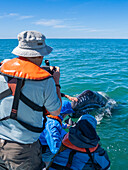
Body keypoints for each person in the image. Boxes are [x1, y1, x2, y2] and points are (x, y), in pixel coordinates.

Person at [0, 30, 62, 170]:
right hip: (22, 149)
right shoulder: (45, 80)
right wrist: (56, 82)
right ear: (40, 54)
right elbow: (56, 111)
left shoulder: (2, 70)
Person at [39, 100, 76, 168]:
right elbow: (54, 148)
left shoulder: (48, 115)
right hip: (44, 149)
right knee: (46, 162)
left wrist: (65, 126)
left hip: (39, 141)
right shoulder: (53, 125)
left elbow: (56, 121)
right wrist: (63, 146)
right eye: (67, 114)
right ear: (64, 114)